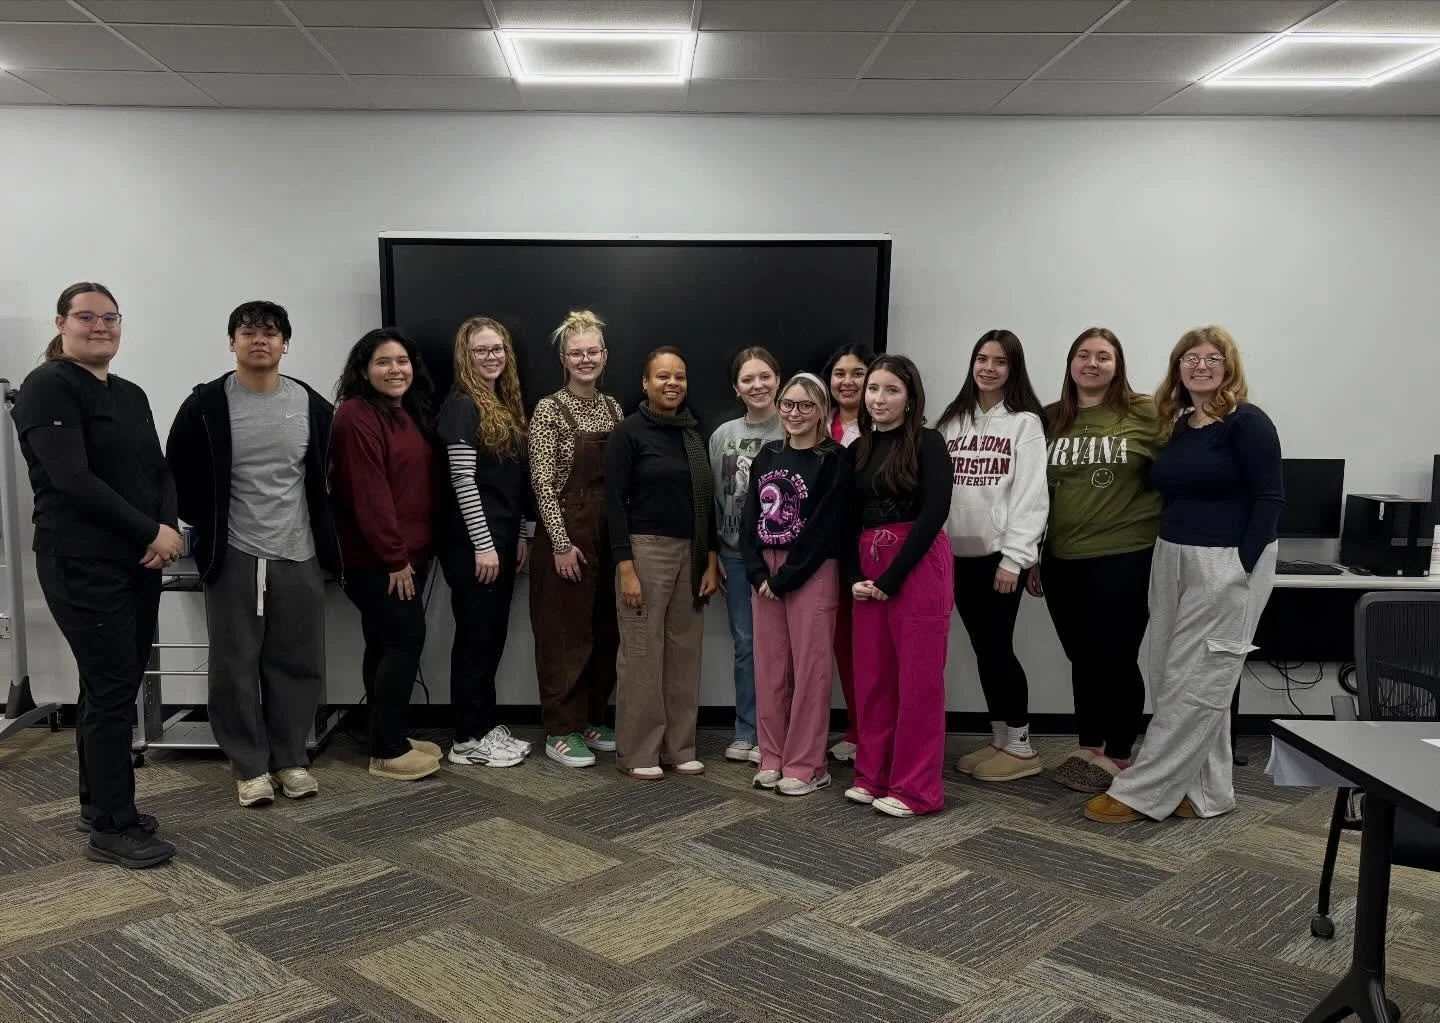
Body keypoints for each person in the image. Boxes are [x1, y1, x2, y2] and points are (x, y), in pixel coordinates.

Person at [12, 282, 180, 868]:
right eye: (87, 317)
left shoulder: (130, 393)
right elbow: (72, 480)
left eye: (110, 317)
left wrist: (164, 530)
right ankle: (114, 826)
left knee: (111, 682)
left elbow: (158, 471)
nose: (100, 326)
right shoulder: (47, 386)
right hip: (80, 559)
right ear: (62, 323)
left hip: (137, 558)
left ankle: (96, 802)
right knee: (112, 688)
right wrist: (148, 533)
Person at [1087, 327, 1283, 824]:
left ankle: (1144, 790)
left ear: (1229, 366)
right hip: (1172, 555)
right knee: (1170, 674)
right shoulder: (1176, 423)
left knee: (1197, 679)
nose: (1200, 366)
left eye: (1212, 358)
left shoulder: (1247, 422)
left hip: (1225, 561)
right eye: (1189, 359)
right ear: (1178, 368)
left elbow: (1270, 499)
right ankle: (1205, 793)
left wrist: (1240, 568)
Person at [166, 300, 341, 807]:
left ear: (286, 344)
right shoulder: (206, 404)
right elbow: (177, 469)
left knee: (297, 661)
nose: (259, 339)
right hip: (234, 552)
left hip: (298, 551)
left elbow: (331, 476)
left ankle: (290, 757)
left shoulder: (310, 404)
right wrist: (197, 528)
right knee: (234, 663)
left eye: (270, 332)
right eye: (247, 331)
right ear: (232, 342)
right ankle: (249, 765)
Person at [1030, 328, 1162, 795]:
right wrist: (1031, 555)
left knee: (1117, 657)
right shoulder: (1050, 419)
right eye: (1083, 355)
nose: (1092, 363)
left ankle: (1121, 753)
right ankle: (1089, 745)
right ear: (1070, 364)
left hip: (1126, 555)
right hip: (1062, 557)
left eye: (1103, 356)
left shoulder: (1145, 411)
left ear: (1117, 364)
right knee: (1081, 656)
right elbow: (1032, 493)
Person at [844, 354, 954, 818]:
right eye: (873, 389)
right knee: (872, 678)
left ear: (910, 398)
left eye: (891, 390)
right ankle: (873, 775)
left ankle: (915, 789)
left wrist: (892, 577)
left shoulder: (929, 443)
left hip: (916, 564)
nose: (879, 398)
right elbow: (846, 518)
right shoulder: (857, 449)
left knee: (918, 683)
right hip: (868, 568)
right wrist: (857, 576)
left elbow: (934, 513)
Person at [330, 328, 441, 782]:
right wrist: (395, 558)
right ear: (363, 369)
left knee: (383, 643)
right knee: (404, 640)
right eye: (383, 362)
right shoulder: (356, 415)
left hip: (406, 555)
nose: (395, 370)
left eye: (402, 361)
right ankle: (388, 752)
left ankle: (385, 734)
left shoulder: (404, 412)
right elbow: (368, 493)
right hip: (379, 561)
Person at [606, 347, 721, 781]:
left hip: (690, 552)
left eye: (679, 377)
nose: (672, 384)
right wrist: (626, 566)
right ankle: (638, 752)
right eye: (662, 377)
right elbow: (614, 504)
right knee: (641, 653)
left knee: (683, 653)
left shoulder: (693, 433)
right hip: (644, 552)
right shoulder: (629, 433)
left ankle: (680, 746)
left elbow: (705, 502)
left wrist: (709, 559)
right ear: (645, 383)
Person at [938, 330, 1049, 783]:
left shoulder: (1024, 424)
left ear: (1013, 369)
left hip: (998, 559)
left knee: (999, 648)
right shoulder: (951, 422)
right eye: (981, 358)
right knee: (984, 649)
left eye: (999, 362)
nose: (987, 368)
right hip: (955, 556)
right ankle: (1001, 736)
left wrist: (1015, 558)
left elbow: (1030, 495)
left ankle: (1021, 745)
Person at [741, 373, 852, 795]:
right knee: (770, 668)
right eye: (788, 404)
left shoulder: (834, 458)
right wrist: (757, 572)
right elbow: (750, 516)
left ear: (822, 410)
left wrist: (788, 576)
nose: (794, 413)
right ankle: (772, 755)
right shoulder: (767, 454)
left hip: (810, 570)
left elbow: (825, 526)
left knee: (810, 670)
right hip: (766, 575)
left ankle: (807, 763)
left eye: (806, 405)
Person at [436, 317, 535, 769]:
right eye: (481, 350)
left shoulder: (504, 404)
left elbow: (512, 484)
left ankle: (484, 722)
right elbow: (462, 479)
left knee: (491, 637)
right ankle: (467, 738)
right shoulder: (462, 406)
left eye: (498, 348)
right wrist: (483, 544)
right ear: (465, 356)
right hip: (474, 546)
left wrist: (518, 535)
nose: (491, 356)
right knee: (476, 639)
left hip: (500, 539)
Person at [529, 310, 626, 769]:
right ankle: (560, 729)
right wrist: (561, 544)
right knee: (564, 635)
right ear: (564, 359)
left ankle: (591, 718)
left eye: (593, 352)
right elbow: (544, 485)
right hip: (565, 532)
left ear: (604, 357)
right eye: (576, 353)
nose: (585, 359)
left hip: (607, 530)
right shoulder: (550, 409)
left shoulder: (612, 408)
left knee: (603, 630)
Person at [710, 346, 783, 764]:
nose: (757, 385)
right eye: (747, 379)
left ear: (778, 378)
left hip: (779, 556)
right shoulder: (722, 435)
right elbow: (712, 501)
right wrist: (714, 553)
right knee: (745, 644)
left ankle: (777, 732)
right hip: (735, 556)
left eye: (764, 376)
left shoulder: (792, 427)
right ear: (736, 388)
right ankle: (746, 730)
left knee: (781, 646)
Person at [821, 342, 875, 763]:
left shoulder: (885, 428)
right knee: (842, 645)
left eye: (858, 373)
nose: (848, 381)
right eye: (840, 373)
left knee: (872, 645)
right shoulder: (817, 423)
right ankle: (856, 729)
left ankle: (873, 730)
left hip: (873, 550)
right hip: (827, 552)